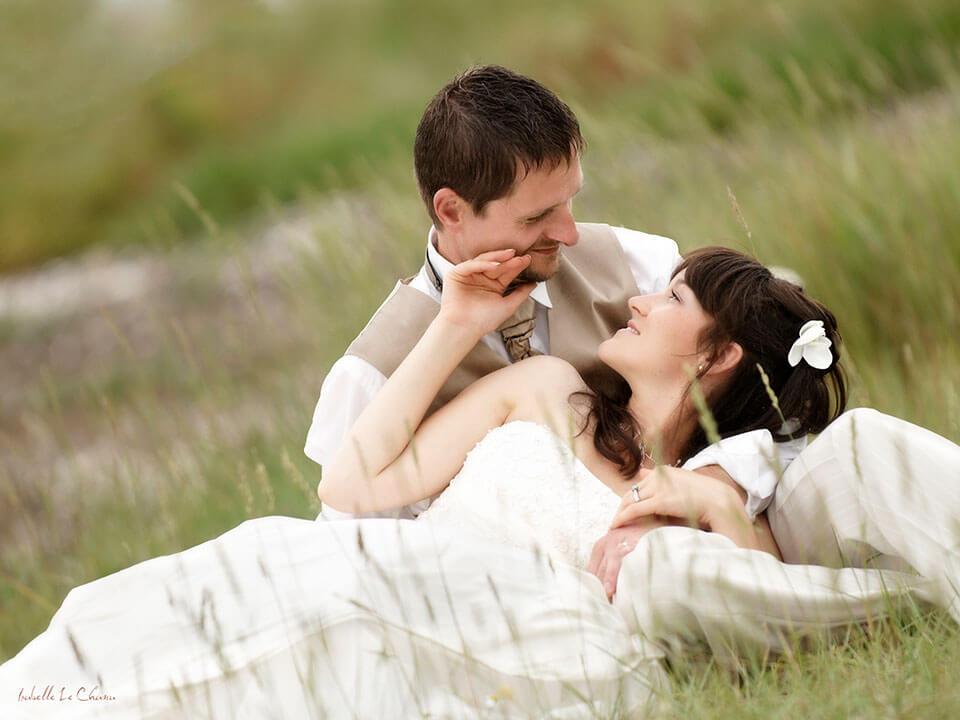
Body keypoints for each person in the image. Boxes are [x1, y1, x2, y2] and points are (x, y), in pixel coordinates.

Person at [1, 246, 884, 719]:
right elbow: (352, 485)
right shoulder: (548, 389)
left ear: (719, 355)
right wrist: (459, 320)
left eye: (671, 301)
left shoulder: (705, 498)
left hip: (509, 646)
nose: (639, 302)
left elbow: (765, 601)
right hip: (383, 571)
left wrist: (706, 502)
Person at [305, 64, 799, 523]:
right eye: (537, 217)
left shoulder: (637, 265)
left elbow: (766, 393)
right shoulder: (372, 372)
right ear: (452, 211)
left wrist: (709, 487)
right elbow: (354, 540)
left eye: (570, 201)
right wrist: (456, 326)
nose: (570, 234)